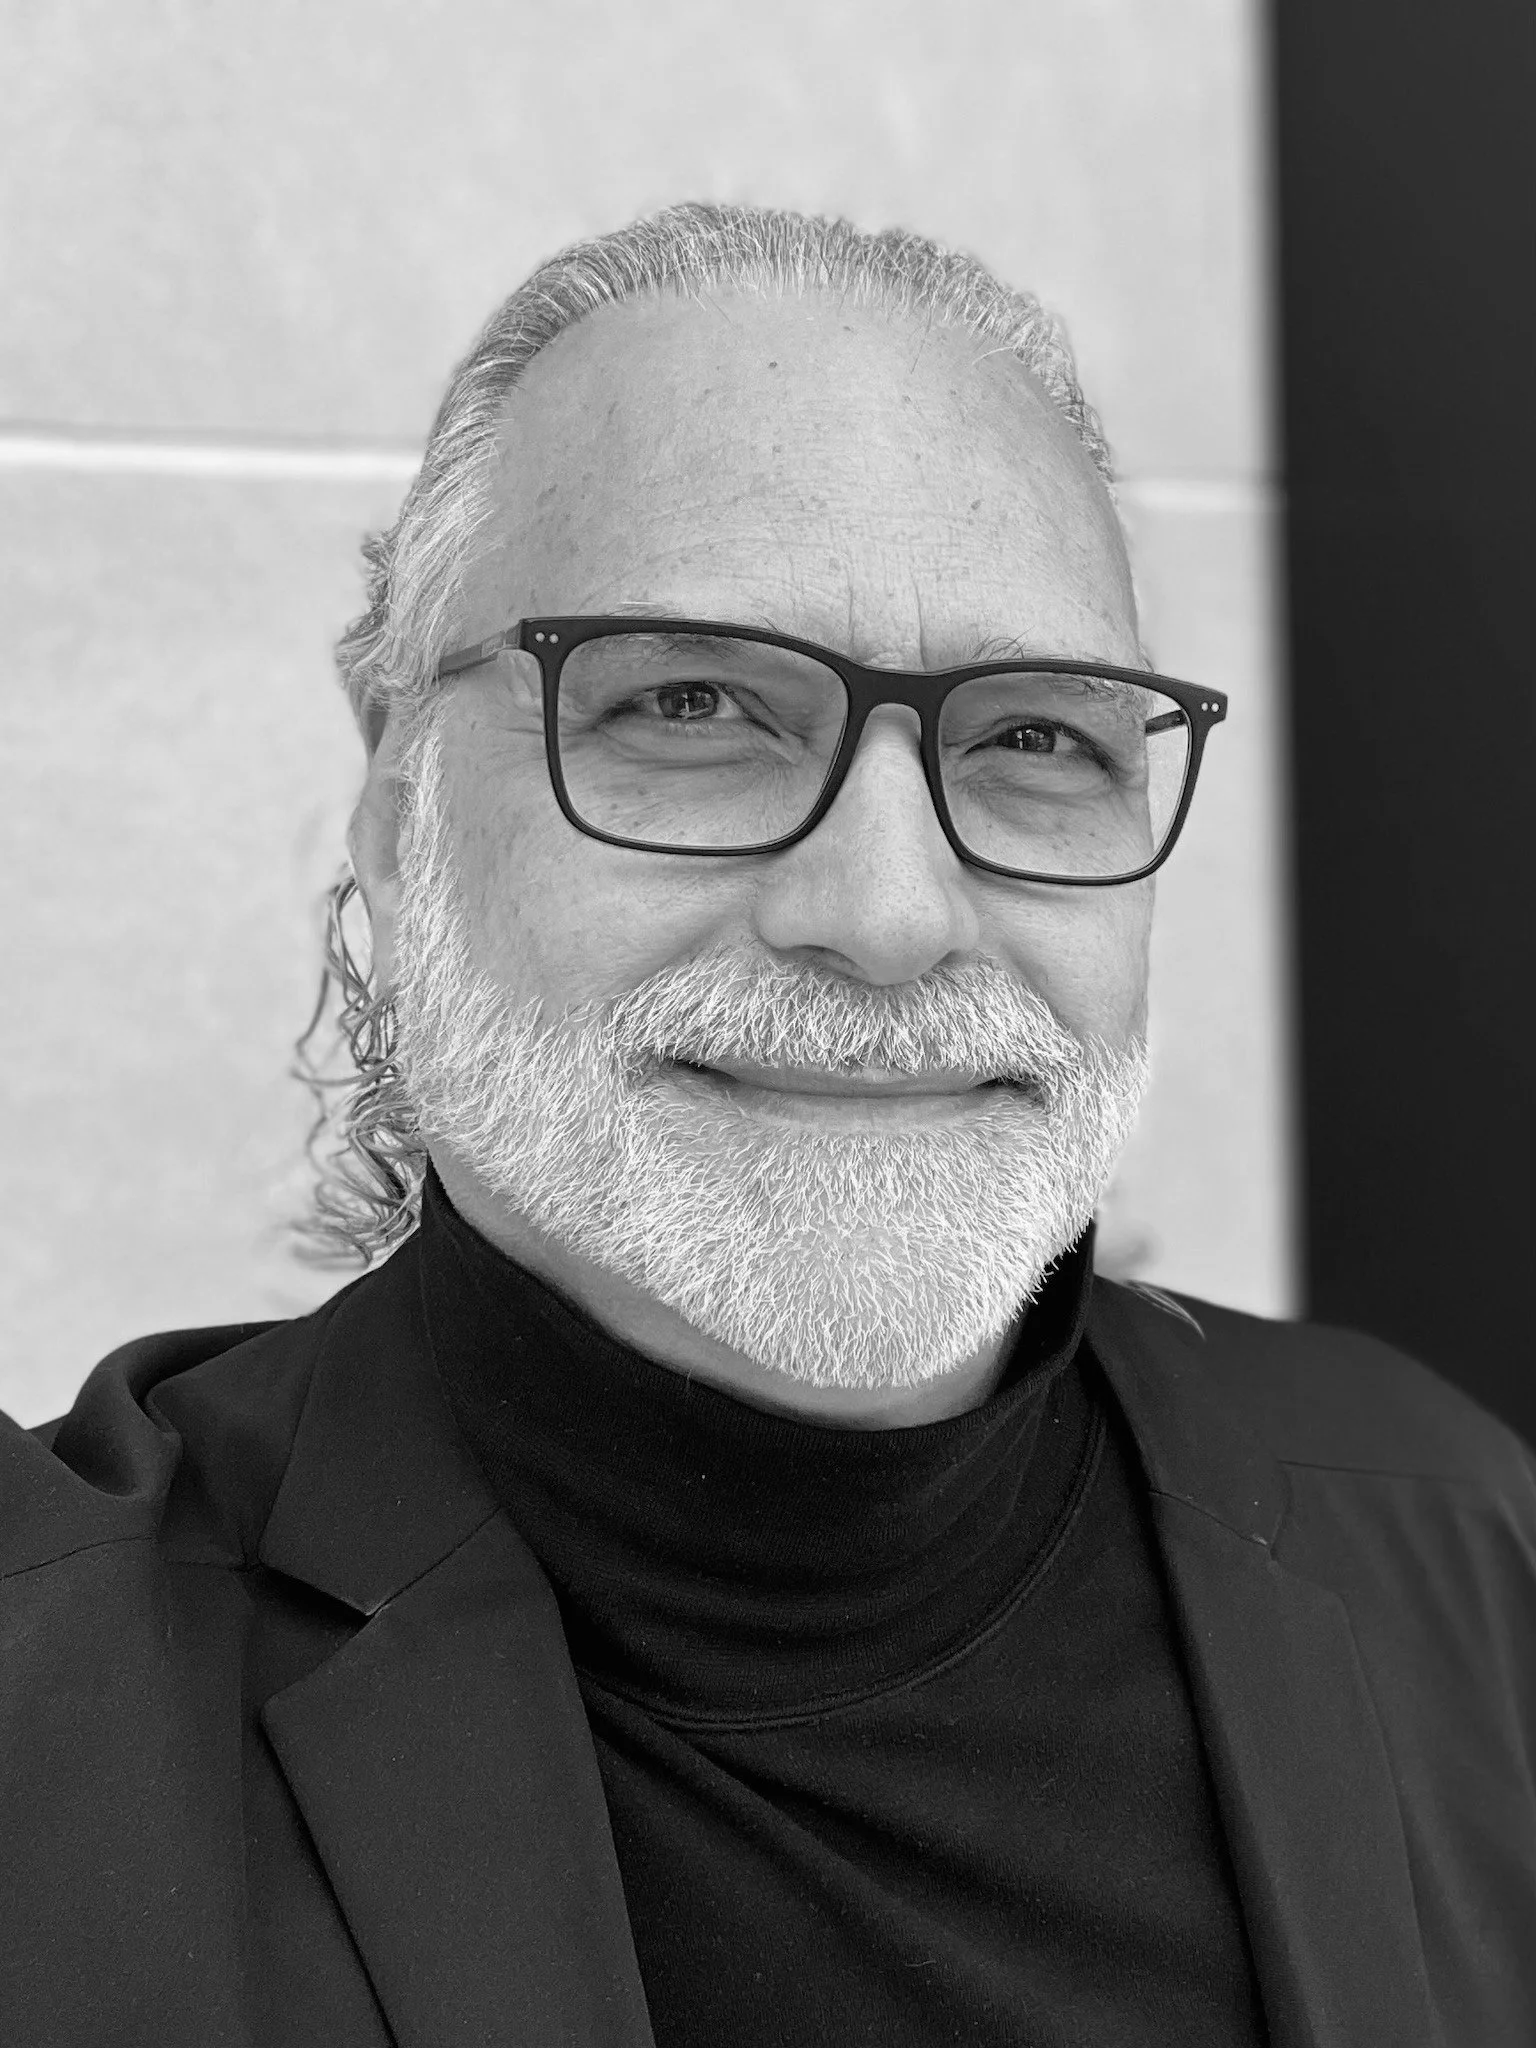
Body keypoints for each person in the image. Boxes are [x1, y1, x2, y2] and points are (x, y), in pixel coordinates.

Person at [2, 203, 1531, 2048]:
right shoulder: (47, 1716)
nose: (890, 916)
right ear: (403, 825)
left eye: (1035, 738)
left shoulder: (1459, 1545)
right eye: (693, 703)